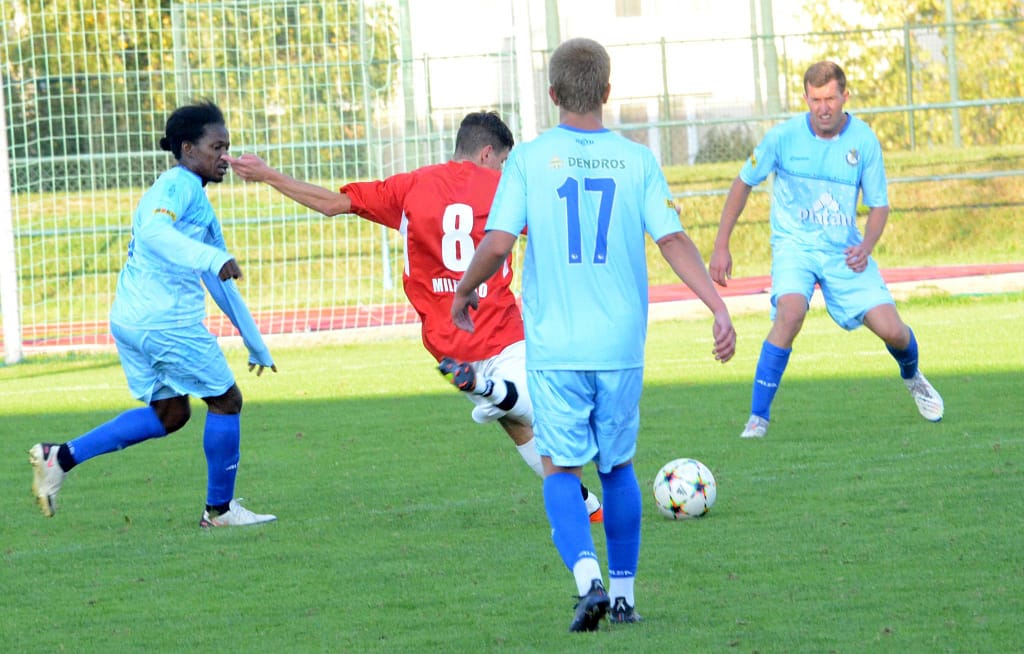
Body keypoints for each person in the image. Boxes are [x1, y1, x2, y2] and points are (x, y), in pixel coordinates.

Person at [450, 38, 736, 632]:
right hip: (619, 345)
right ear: (607, 91)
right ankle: (625, 598)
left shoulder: (529, 159)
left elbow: (497, 243)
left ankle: (589, 583)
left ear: (553, 93)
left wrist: (465, 290)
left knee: (560, 469)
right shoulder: (636, 160)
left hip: (556, 347)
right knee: (618, 468)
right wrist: (717, 307)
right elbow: (672, 239)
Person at [225, 111, 603, 520]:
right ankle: (496, 392)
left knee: (517, 425)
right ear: (487, 153)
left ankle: (587, 506)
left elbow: (333, 204)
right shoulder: (503, 188)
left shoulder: (410, 186)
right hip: (501, 331)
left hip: (448, 346)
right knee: (543, 408)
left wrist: (268, 174)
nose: (502, 169)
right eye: (502, 161)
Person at [28, 101, 278, 528]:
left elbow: (218, 279)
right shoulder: (178, 186)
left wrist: (254, 342)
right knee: (226, 400)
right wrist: (210, 256)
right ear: (188, 149)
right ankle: (219, 511)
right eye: (217, 147)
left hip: (133, 319)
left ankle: (60, 457)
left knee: (171, 413)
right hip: (165, 323)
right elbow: (154, 232)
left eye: (227, 147)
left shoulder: (193, 198)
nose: (226, 157)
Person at [708, 61, 944, 439]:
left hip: (844, 251)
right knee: (790, 312)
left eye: (830, 99)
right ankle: (757, 418)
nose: (823, 108)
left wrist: (866, 246)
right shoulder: (783, 137)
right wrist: (721, 244)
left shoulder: (863, 140)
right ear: (806, 98)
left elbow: (879, 206)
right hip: (795, 246)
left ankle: (912, 374)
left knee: (894, 331)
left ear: (844, 96)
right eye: (815, 100)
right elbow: (743, 182)